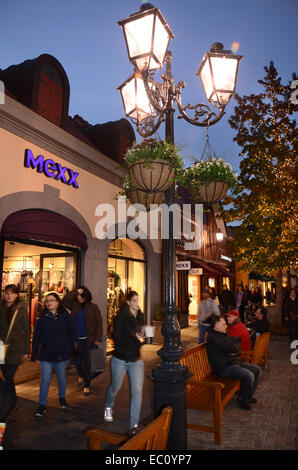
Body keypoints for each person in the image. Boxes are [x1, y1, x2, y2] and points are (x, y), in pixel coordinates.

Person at [104, 291, 145, 434]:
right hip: (120, 359)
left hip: (136, 359)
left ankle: (134, 425)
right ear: (128, 302)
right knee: (115, 387)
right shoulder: (120, 317)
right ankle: (108, 406)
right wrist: (134, 336)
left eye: (137, 300)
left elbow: (141, 330)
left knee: (137, 392)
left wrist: (142, 334)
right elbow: (117, 337)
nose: (136, 303)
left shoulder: (139, 315)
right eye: (134, 301)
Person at [31, 292, 78, 417]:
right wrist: (33, 354)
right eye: (47, 301)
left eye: (52, 300)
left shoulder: (65, 316)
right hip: (46, 355)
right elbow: (37, 337)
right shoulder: (42, 318)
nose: (49, 303)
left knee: (61, 378)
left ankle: (62, 397)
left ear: (57, 302)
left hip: (62, 354)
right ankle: (42, 405)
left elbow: (72, 332)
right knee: (45, 380)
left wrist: (69, 347)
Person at [206, 315, 261, 410]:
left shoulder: (220, 335)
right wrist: (235, 343)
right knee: (249, 375)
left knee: (257, 370)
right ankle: (242, 399)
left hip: (231, 362)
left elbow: (235, 346)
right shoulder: (213, 338)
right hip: (223, 368)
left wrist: (235, 343)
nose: (226, 326)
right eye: (223, 324)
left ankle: (247, 396)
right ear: (216, 325)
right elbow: (234, 347)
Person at [62, 286, 103, 395]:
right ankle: (82, 375)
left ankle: (87, 385)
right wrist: (75, 291)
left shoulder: (93, 307)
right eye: (77, 295)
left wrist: (98, 339)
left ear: (85, 296)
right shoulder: (74, 306)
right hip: (76, 340)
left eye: (80, 295)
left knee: (87, 363)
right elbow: (64, 301)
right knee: (77, 362)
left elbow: (99, 323)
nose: (78, 297)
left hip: (89, 340)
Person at [0, 285, 30, 405]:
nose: (9, 296)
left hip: (15, 348)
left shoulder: (21, 309)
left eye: (12, 293)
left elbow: (26, 330)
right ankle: (8, 400)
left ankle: (12, 401)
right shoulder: (1, 307)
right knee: (5, 376)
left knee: (8, 376)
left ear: (17, 295)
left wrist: (26, 350)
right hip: (1, 347)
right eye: (7, 293)